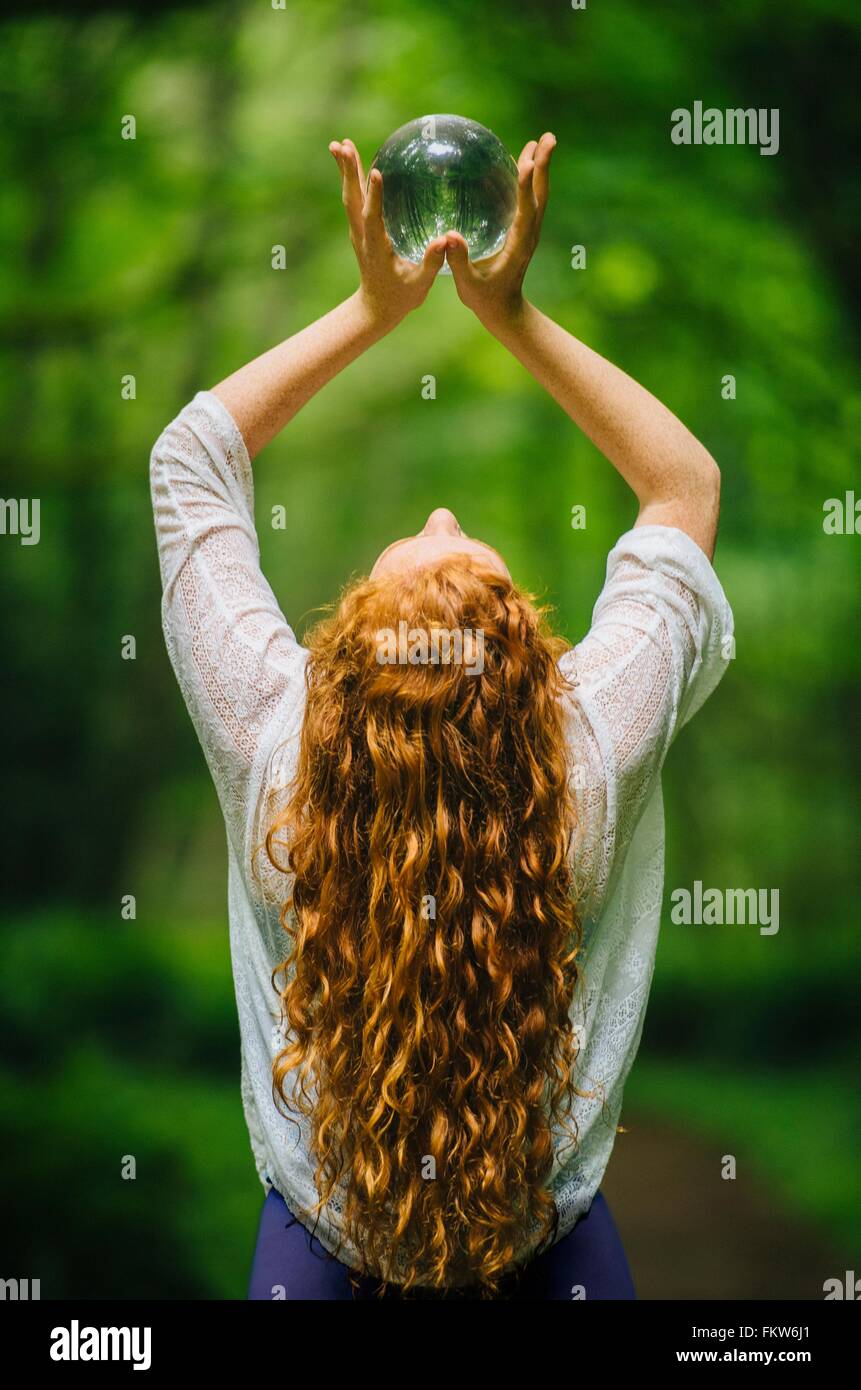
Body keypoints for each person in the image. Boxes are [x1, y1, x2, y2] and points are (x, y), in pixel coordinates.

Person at [149, 132, 733, 1299]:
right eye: (463, 543)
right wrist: (509, 310)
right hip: (549, 1253)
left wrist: (374, 307)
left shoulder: (278, 748)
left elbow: (189, 459)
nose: (443, 508)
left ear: (340, 665)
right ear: (533, 665)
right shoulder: (586, 750)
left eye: (427, 542)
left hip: (320, 1253)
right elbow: (684, 486)